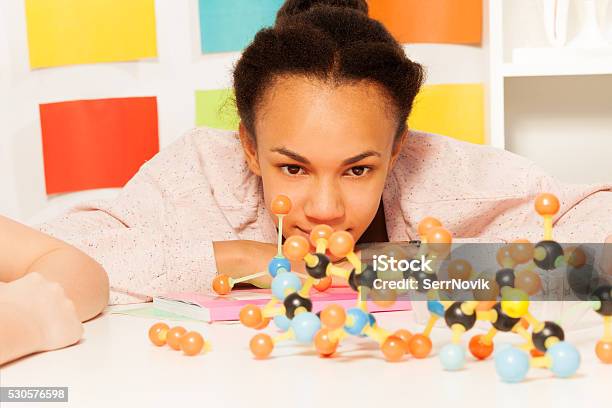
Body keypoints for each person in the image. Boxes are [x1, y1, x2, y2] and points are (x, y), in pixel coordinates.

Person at [2, 0, 611, 364]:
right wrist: (235, 257)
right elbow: (63, 252)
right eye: (292, 168)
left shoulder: (445, 176)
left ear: (399, 149)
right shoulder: (201, 172)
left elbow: (599, 256)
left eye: (358, 169)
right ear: (248, 146)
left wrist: (385, 268)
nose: (324, 208)